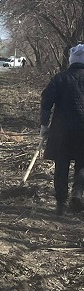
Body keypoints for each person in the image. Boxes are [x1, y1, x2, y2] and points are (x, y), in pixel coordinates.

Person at [40, 43, 84, 215]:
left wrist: (44, 125)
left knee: (61, 164)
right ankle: (78, 193)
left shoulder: (60, 78)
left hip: (62, 130)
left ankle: (61, 203)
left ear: (71, 60)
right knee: (82, 164)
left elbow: (46, 101)